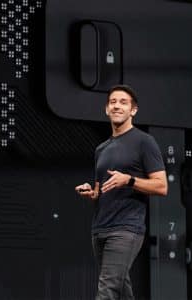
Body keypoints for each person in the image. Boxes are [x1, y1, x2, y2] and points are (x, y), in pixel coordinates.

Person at [75, 84, 168, 300]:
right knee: (121, 288)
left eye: (123, 102)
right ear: (106, 109)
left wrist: (130, 180)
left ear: (133, 110)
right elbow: (101, 190)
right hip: (100, 229)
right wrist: (92, 193)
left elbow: (161, 186)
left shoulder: (144, 142)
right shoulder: (101, 149)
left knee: (107, 290)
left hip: (127, 228)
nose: (117, 106)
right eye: (113, 102)